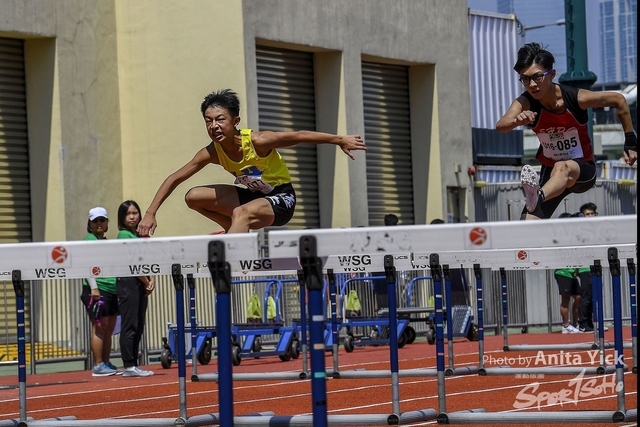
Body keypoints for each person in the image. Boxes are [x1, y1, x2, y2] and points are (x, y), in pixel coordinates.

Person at [137, 89, 366, 236]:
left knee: (241, 212)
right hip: (253, 197)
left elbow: (299, 135)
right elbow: (175, 178)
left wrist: (339, 140)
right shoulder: (212, 152)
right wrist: (150, 212)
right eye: (208, 121)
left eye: (220, 120)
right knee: (193, 197)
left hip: (281, 199)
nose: (214, 126)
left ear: (235, 121)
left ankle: (232, 255)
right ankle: (232, 230)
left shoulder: (259, 141)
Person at [495, 42, 637, 220]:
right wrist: (517, 120)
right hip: (552, 176)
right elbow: (501, 125)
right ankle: (551, 209)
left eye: (537, 77)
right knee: (527, 223)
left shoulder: (576, 98)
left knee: (562, 166)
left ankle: (538, 196)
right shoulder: (526, 101)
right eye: (525, 79)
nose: (531, 85)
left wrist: (631, 142)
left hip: (581, 170)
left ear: (552, 74)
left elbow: (619, 100)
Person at [80, 207, 121, 376]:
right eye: (95, 220)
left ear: (107, 223)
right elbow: (86, 264)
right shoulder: (89, 240)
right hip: (97, 289)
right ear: (90, 223)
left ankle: (105, 362)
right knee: (99, 327)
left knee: (109, 328)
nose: (99, 223)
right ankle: (98, 365)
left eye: (102, 220)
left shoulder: (106, 242)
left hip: (111, 288)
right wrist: (93, 287)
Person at [116, 200, 155, 377]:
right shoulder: (124, 235)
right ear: (122, 217)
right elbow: (132, 263)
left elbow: (147, 260)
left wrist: (151, 279)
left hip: (140, 282)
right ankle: (129, 365)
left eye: (135, 213)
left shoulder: (138, 235)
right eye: (128, 214)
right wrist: (146, 281)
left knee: (139, 324)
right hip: (128, 282)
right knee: (130, 324)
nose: (132, 217)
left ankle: (134, 364)